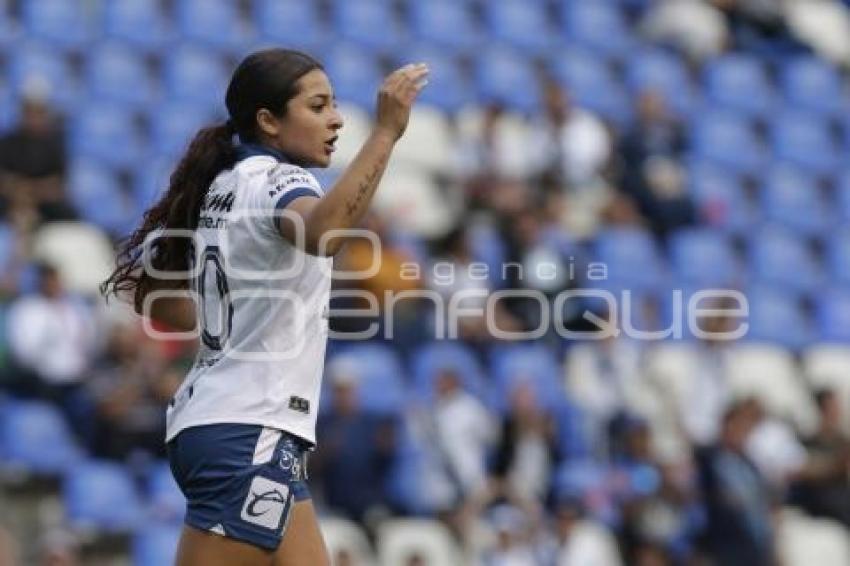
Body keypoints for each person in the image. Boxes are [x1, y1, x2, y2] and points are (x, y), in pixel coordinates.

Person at [101, 48, 429, 566]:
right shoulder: (282, 181)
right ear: (269, 121)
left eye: (334, 105)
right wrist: (386, 132)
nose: (337, 118)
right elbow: (322, 233)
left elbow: (162, 303)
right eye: (318, 106)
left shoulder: (224, 185)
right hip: (246, 432)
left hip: (234, 426)